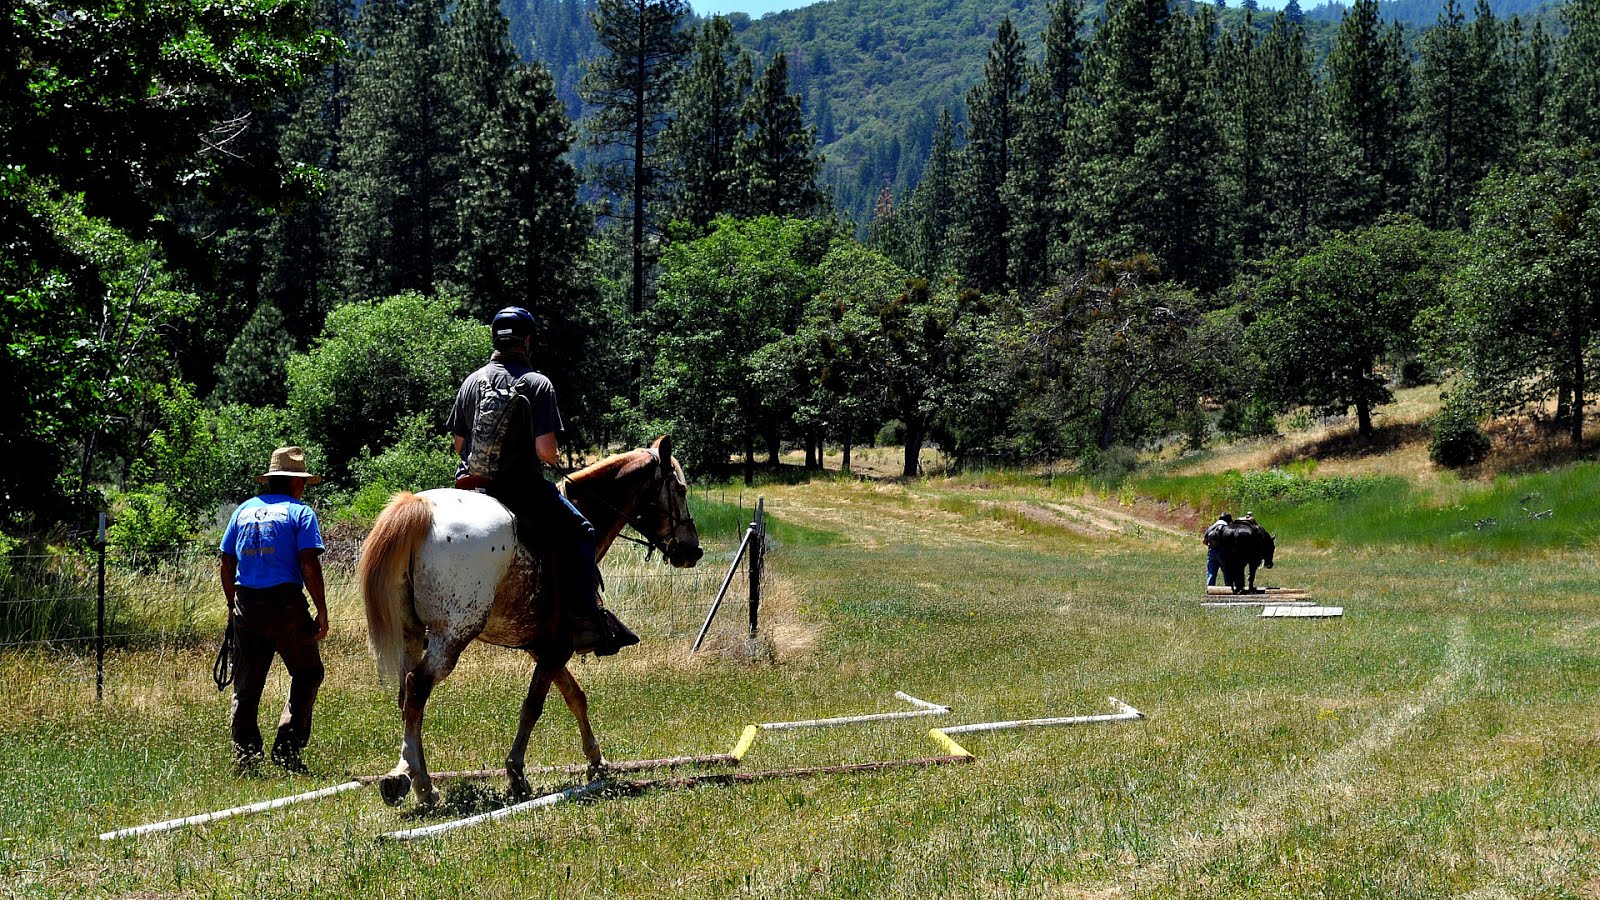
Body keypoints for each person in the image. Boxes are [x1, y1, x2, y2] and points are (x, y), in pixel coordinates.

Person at [447, 306, 635, 657]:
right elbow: (546, 452)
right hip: (519, 491)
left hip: (471, 486)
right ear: (528, 341)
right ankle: (585, 621)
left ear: (495, 339)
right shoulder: (537, 383)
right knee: (583, 531)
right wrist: (554, 458)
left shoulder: (471, 381)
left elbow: (459, 445)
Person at [219, 446, 328, 773]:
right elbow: (308, 564)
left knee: (247, 684)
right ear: (295, 482)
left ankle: (246, 756)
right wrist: (321, 610)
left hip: (246, 604)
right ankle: (287, 748)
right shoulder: (300, 513)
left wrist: (233, 605)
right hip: (285, 604)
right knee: (308, 673)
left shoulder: (242, 511)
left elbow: (226, 562)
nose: (303, 487)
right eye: (303, 482)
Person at [1202, 512, 1233, 587]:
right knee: (1227, 573)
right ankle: (1228, 589)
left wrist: (1212, 546)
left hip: (1212, 552)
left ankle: (1210, 589)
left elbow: (1204, 541)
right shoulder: (1227, 528)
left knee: (1211, 573)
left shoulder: (1211, 527)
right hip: (1223, 553)